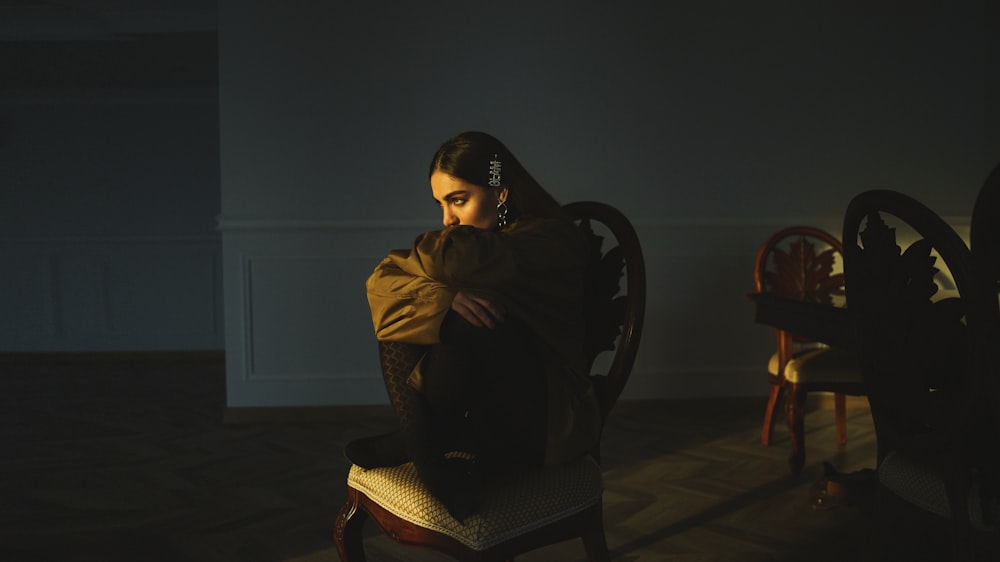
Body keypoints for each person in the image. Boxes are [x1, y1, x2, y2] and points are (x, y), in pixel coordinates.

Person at [347, 131, 601, 520]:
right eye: (441, 204)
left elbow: (462, 261)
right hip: (483, 415)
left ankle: (418, 445)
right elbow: (383, 281)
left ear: (501, 192)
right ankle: (427, 452)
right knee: (416, 311)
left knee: (468, 320)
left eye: (458, 200)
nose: (447, 219)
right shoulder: (486, 241)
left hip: (544, 423)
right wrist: (442, 298)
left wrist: (443, 299)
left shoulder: (549, 239)